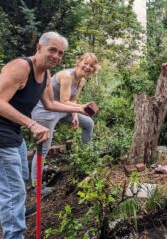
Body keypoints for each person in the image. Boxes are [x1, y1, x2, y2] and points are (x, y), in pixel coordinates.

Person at [0, 31, 88, 239]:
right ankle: (14, 233)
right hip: (2, 137)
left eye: (60, 53)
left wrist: (81, 108)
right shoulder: (21, 67)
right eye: (52, 50)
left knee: (18, 182)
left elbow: (49, 104)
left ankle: (13, 212)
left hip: (13, 133)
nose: (57, 56)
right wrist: (31, 124)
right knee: (13, 192)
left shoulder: (46, 74)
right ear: (39, 48)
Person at [30, 52, 99, 192]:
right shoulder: (67, 76)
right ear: (78, 62)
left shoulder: (82, 80)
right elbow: (64, 101)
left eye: (91, 66)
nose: (87, 67)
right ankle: (35, 186)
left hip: (61, 109)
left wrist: (74, 115)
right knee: (44, 147)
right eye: (85, 63)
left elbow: (72, 100)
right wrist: (81, 108)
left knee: (88, 123)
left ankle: (88, 160)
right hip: (45, 110)